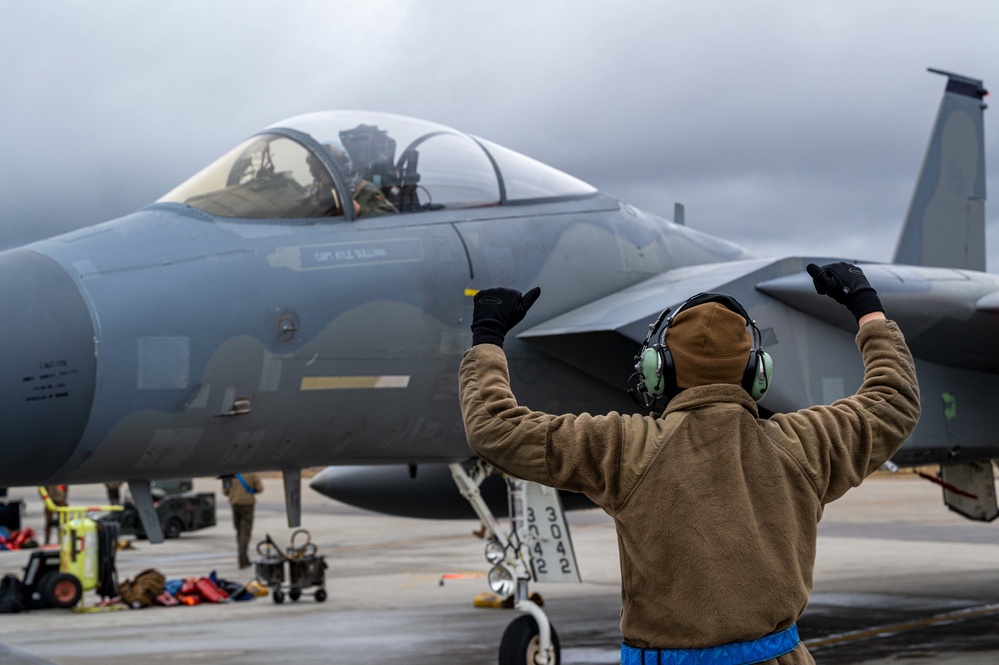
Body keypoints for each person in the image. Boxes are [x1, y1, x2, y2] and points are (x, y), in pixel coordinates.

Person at [458, 262, 920, 664]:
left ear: (659, 371)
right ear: (756, 374)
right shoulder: (803, 446)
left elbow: (495, 428)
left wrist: (488, 338)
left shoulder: (624, 448)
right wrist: (867, 307)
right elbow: (893, 400)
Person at [223, 473, 264, 569]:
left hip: (235, 505)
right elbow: (260, 489)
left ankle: (244, 558)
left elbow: (225, 491)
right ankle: (242, 560)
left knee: (239, 532)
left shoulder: (230, 472)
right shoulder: (251, 473)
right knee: (245, 534)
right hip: (247, 505)